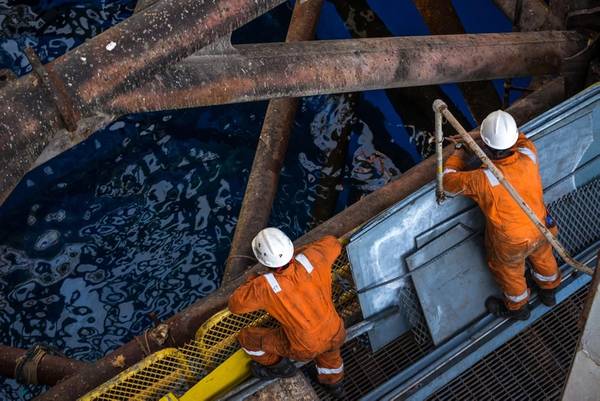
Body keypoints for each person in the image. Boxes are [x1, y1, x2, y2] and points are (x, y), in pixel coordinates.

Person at [443, 110, 561, 321]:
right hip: (541, 226)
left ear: (487, 148)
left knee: (510, 271)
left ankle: (519, 309)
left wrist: (460, 151)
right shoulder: (529, 153)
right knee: (543, 257)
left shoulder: (482, 179)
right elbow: (520, 138)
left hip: (511, 243)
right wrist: (479, 137)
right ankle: (549, 291)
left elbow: (448, 182)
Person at [228, 227, 346, 398]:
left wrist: (253, 279)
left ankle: (280, 367)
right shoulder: (313, 257)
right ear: (289, 245)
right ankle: (336, 387)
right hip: (336, 331)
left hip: (304, 348)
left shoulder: (264, 286)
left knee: (248, 339)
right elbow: (333, 243)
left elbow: (235, 305)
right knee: (331, 357)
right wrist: (301, 253)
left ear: (263, 260)